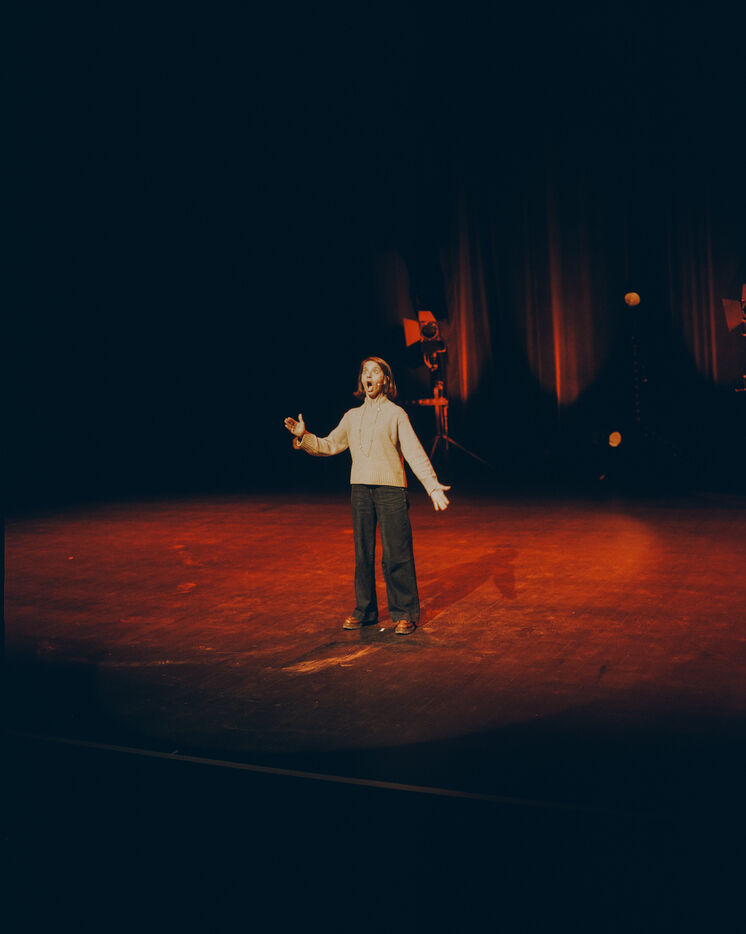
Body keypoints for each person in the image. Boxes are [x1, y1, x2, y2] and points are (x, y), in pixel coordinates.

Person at [284, 357, 450, 634]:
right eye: (365, 372)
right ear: (361, 380)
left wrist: (431, 484)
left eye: (375, 371)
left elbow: (413, 451)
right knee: (363, 554)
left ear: (385, 380)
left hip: (391, 490)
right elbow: (330, 445)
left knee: (396, 553)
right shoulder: (352, 416)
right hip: (360, 489)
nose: (368, 376)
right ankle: (365, 610)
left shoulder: (396, 414)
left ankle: (404, 612)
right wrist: (304, 437)